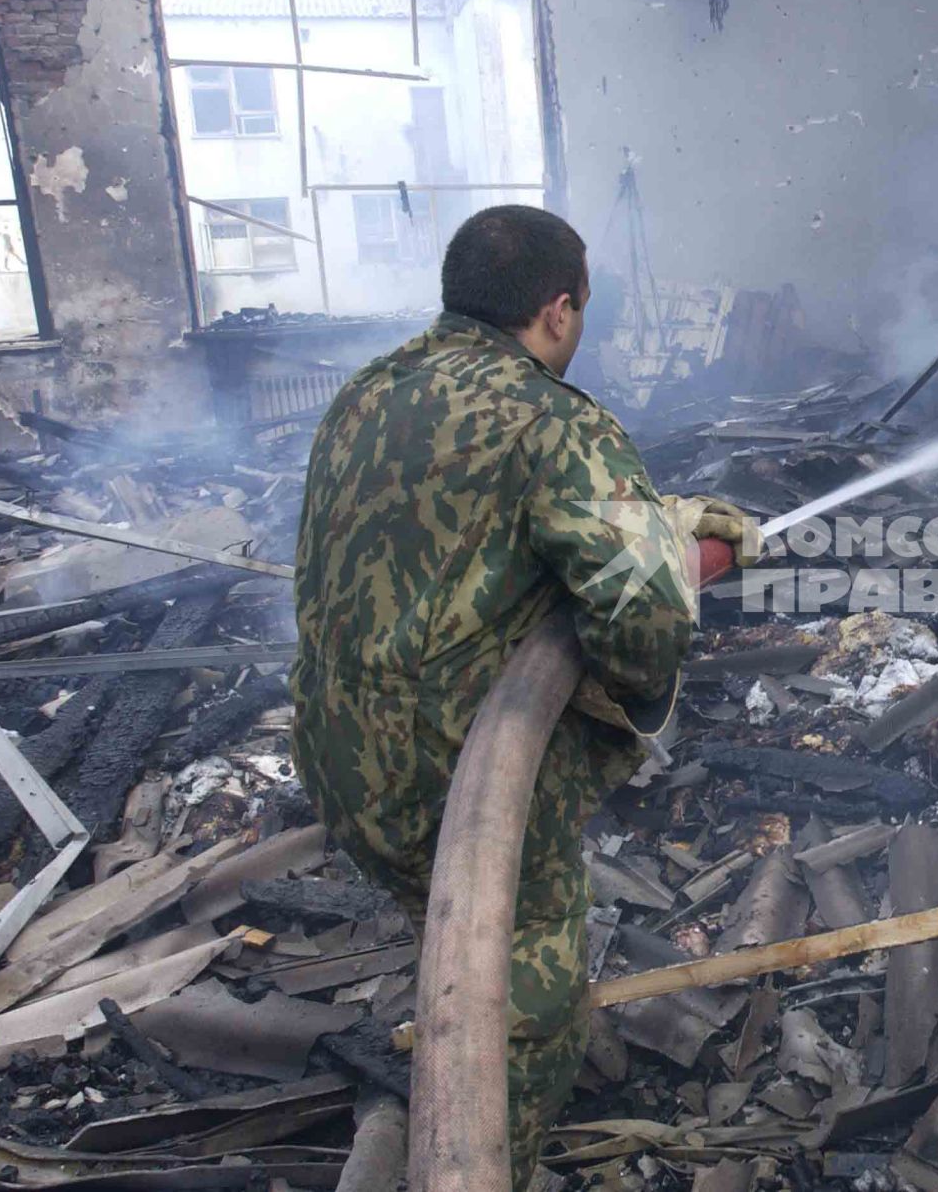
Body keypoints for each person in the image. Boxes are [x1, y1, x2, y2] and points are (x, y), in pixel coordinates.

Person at [290, 205, 746, 1189]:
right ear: (557, 310)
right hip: (448, 780)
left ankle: (448, 1007)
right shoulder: (554, 420)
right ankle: (488, 1144)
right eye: (578, 311)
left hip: (333, 750)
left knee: (440, 928)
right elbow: (645, 622)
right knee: (526, 978)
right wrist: (629, 682)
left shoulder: (368, 390)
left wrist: (650, 528)